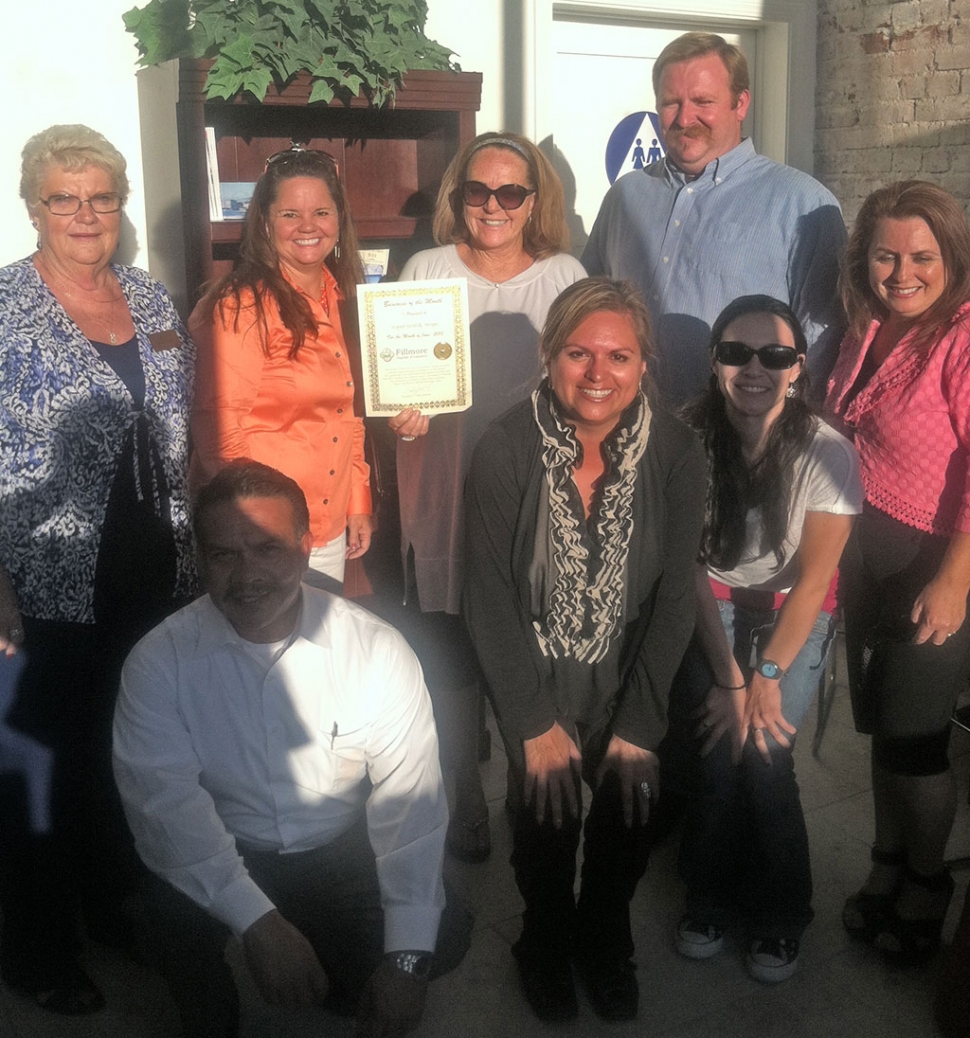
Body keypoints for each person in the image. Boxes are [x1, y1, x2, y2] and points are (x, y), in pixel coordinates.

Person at [113, 460, 468, 1038]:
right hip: (229, 841)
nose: (246, 574)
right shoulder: (158, 664)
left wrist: (405, 962)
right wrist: (256, 923)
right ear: (199, 560)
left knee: (439, 936)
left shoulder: (376, 651)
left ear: (306, 547)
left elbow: (412, 806)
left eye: (268, 548)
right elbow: (163, 806)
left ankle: (330, 966)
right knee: (160, 915)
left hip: (337, 844)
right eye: (224, 554)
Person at [463, 277, 707, 1022]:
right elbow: (487, 600)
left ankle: (603, 932)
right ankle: (542, 937)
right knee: (546, 817)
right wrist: (534, 725)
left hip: (631, 662)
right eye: (578, 353)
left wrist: (638, 726)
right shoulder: (506, 447)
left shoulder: (676, 449)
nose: (598, 374)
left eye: (619, 357)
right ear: (549, 355)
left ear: (644, 367)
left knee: (630, 810)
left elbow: (674, 598)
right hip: (535, 661)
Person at [0, 124, 195, 1014]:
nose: (85, 214)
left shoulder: (153, 302)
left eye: (101, 197)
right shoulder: (6, 306)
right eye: (63, 198)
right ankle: (36, 948)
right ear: (33, 207)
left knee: (127, 753)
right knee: (43, 764)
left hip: (152, 570)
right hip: (42, 577)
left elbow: (179, 425)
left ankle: (113, 908)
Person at [384, 131, 585, 862]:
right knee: (450, 656)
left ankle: (536, 790)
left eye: (510, 192)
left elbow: (588, 382)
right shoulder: (427, 268)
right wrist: (400, 406)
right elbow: (397, 376)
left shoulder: (566, 274)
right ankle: (464, 799)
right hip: (441, 484)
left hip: (534, 496)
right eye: (477, 191)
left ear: (535, 202)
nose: (492, 206)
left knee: (527, 651)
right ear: (457, 197)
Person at [673, 295, 862, 983]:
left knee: (767, 753)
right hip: (715, 604)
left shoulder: (827, 453)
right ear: (715, 361)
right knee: (720, 753)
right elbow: (689, 565)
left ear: (798, 367)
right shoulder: (686, 434)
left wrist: (767, 679)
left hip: (794, 609)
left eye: (775, 355)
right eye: (736, 352)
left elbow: (813, 582)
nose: (755, 368)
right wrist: (729, 679)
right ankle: (708, 895)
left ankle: (783, 914)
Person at [826, 180, 970, 965]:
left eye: (922, 255)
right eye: (886, 254)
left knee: (918, 743)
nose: (903, 271)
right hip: (866, 561)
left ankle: (926, 880)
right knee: (881, 729)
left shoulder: (963, 336)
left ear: (952, 258)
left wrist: (953, 580)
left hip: (935, 566)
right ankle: (885, 862)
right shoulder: (866, 327)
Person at [581, 31, 846, 406]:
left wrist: (781, 436)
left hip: (738, 440)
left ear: (741, 104)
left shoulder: (803, 204)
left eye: (703, 101)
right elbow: (589, 305)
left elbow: (824, 341)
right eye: (671, 103)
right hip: (626, 428)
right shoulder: (625, 196)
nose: (685, 117)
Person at [190, 147, 372, 589]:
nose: (308, 227)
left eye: (322, 212)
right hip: (262, 533)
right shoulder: (240, 305)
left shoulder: (346, 297)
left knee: (312, 648)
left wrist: (358, 501)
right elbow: (218, 429)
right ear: (266, 223)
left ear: (339, 220)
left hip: (325, 526)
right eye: (290, 213)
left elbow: (348, 413)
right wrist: (256, 526)